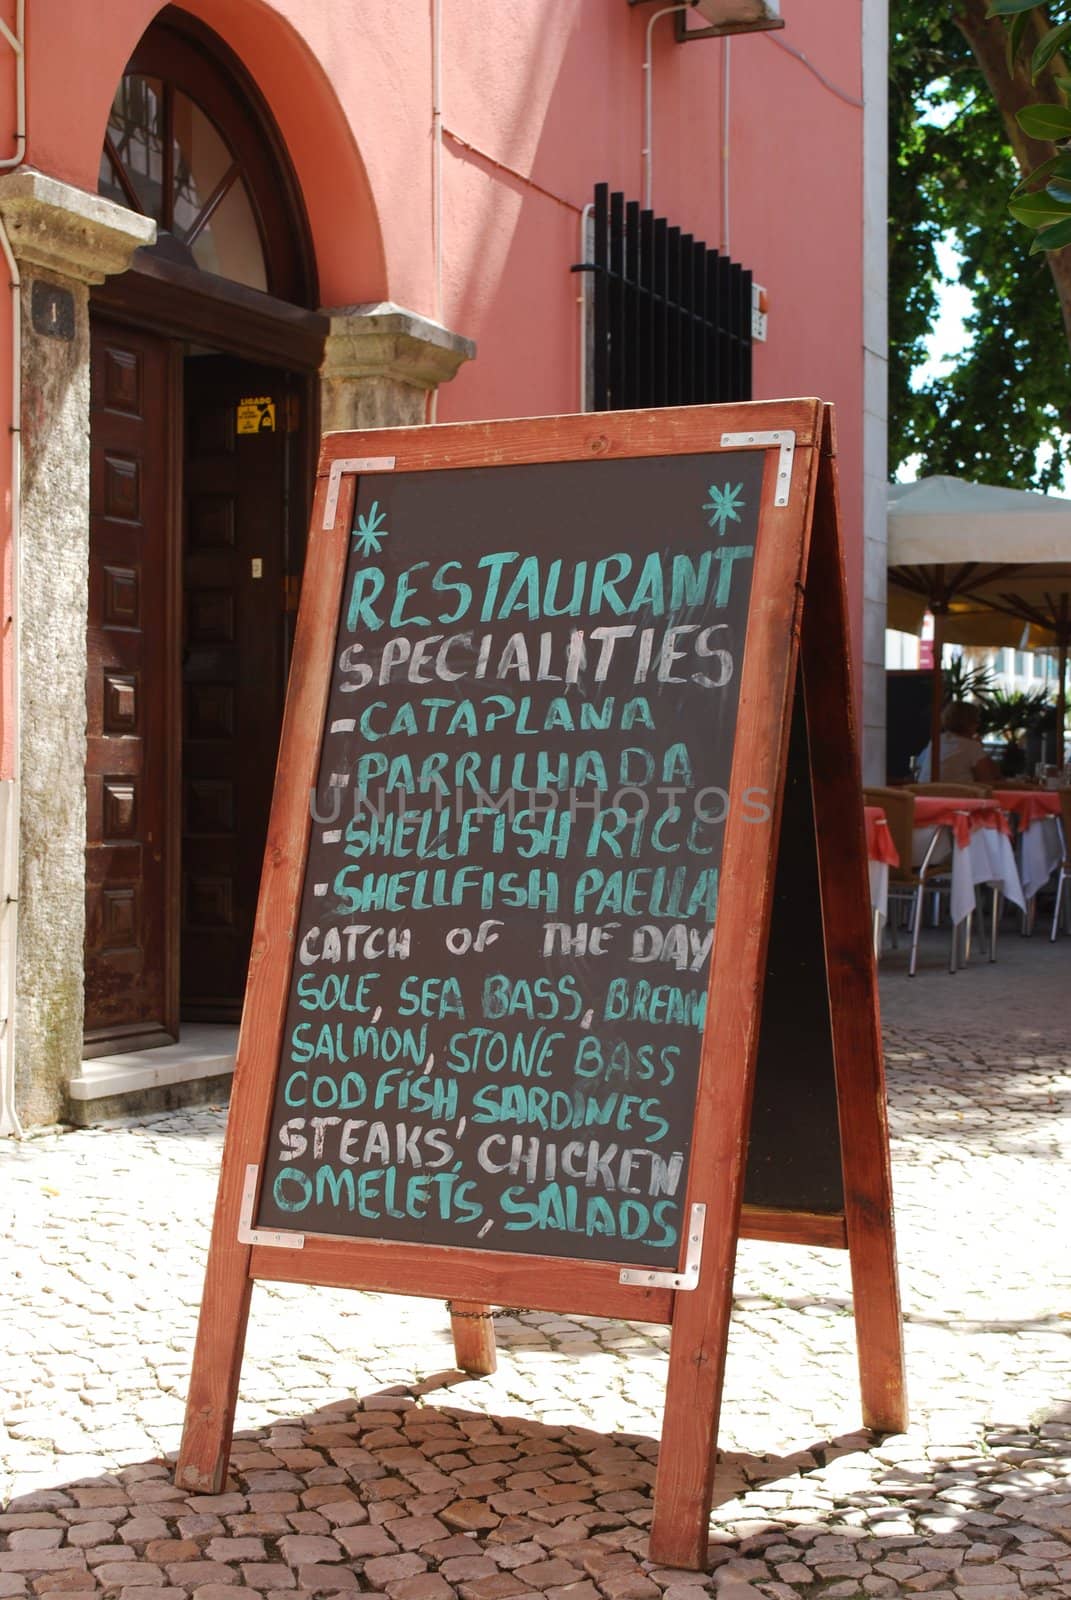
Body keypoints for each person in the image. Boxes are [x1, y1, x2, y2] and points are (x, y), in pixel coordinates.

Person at [915, 701, 999, 784]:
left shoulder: (936, 741)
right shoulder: (971, 746)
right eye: (977, 721)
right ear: (971, 723)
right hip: (956, 795)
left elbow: (919, 767)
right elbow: (988, 780)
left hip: (925, 794)